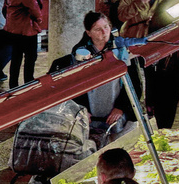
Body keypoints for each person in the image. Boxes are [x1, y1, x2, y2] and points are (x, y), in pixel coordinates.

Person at [47, 11, 137, 141]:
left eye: (106, 27)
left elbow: (134, 82)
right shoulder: (78, 55)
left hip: (116, 113)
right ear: (89, 33)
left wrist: (122, 107)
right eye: (98, 29)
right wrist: (80, 110)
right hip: (90, 115)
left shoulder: (123, 51)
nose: (104, 32)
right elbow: (73, 87)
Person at [3, 0, 46, 88]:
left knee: (16, 57)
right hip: (26, 29)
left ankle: (13, 83)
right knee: (30, 56)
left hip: (13, 28)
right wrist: (39, 20)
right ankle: (28, 81)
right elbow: (34, 9)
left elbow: (4, 8)